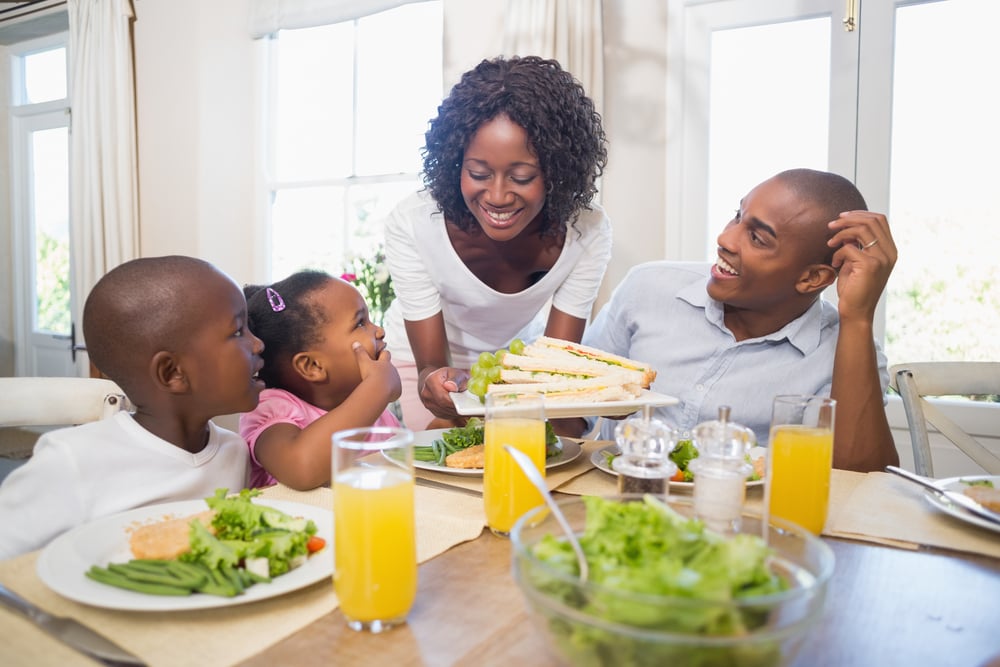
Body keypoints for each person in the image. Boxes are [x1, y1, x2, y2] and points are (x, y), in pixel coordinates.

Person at [577, 168, 900, 473]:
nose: (726, 239)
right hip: (620, 503)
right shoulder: (647, 288)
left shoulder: (846, 353)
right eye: (737, 216)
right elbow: (572, 414)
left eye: (757, 238)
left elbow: (860, 481)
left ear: (813, 278)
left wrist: (858, 317)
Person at [383, 55, 612, 430]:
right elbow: (431, 367)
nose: (498, 196)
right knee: (442, 446)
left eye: (521, 177)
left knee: (553, 444)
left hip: (515, 365)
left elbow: (554, 368)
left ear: (557, 172)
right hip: (420, 362)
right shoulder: (414, 223)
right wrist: (434, 382)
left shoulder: (588, 231)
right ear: (455, 163)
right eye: (479, 173)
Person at [0, 256, 262, 559]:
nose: (258, 344)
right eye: (239, 331)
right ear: (172, 373)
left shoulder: (234, 451)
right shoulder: (71, 461)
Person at [239, 270, 401, 490]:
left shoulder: (372, 407)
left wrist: (444, 423)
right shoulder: (272, 409)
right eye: (360, 323)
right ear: (312, 366)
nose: (379, 331)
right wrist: (378, 388)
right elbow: (301, 469)